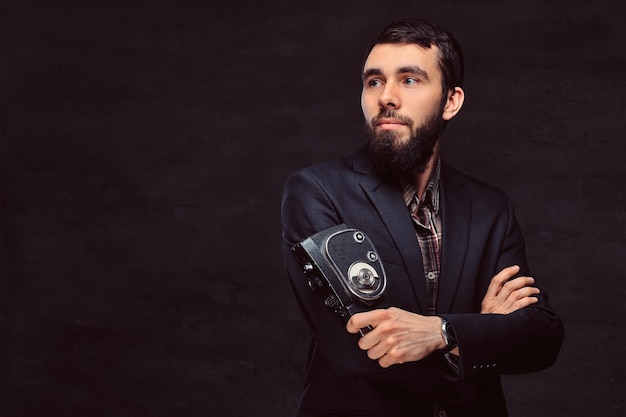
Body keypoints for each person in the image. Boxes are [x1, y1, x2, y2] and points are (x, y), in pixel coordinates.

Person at [281, 18, 564, 417]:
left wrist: (440, 331)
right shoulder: (318, 191)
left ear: (451, 101)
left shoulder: (489, 207)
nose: (387, 97)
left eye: (409, 80)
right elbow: (361, 349)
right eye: (374, 81)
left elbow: (541, 336)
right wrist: (479, 331)